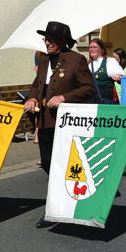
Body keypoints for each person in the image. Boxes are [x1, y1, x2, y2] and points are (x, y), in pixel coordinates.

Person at [24, 21, 97, 228]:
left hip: (66, 123)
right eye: (45, 39)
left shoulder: (76, 60)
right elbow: (36, 86)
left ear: (62, 41)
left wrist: (65, 96)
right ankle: (67, 198)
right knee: (48, 163)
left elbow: (88, 88)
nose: (47, 43)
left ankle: (57, 208)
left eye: (51, 39)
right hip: (45, 121)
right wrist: (31, 99)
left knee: (63, 165)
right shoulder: (44, 59)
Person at [87, 38, 124, 104]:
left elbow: (122, 77)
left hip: (106, 101)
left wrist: (117, 77)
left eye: (95, 47)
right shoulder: (89, 65)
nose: (92, 49)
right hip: (92, 101)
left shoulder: (109, 62)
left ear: (101, 49)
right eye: (90, 47)